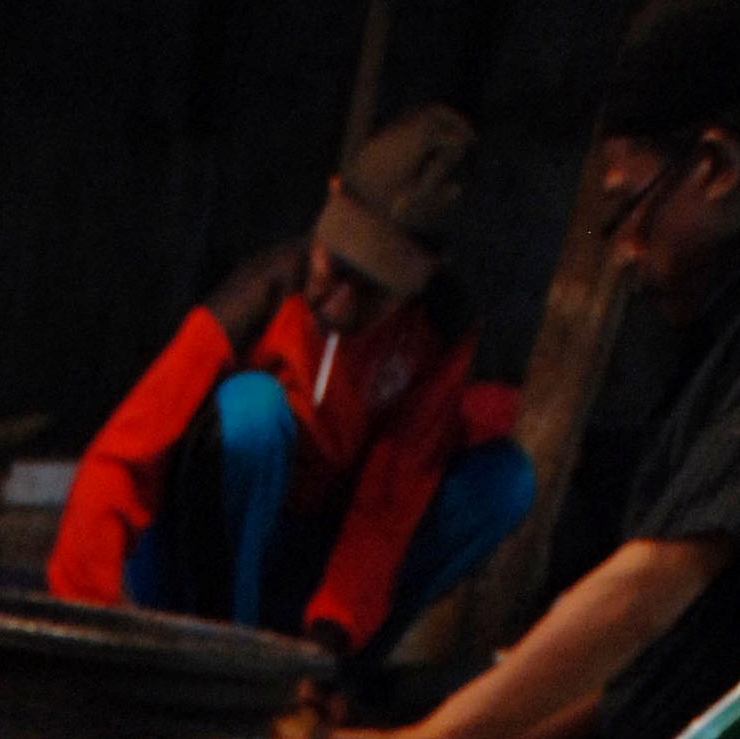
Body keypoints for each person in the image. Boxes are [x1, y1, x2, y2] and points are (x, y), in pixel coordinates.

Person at [338, 0, 740, 739]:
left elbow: (654, 586)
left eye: (627, 206)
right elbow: (663, 656)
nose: (625, 251)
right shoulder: (737, 305)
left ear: (715, 170)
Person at [50, 105, 532, 665]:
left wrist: (329, 638)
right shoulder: (261, 295)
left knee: (505, 482)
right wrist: (86, 619)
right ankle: (222, 657)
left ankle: (334, 671)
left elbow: (389, 505)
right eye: (337, 268)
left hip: (311, 561)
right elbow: (124, 457)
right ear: (331, 200)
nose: (341, 304)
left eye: (373, 289)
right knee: (252, 415)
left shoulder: (440, 330)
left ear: (426, 275)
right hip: (205, 557)